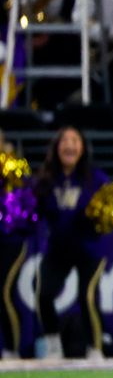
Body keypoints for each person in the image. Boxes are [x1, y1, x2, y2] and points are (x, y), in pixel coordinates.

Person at [34, 127, 110, 360]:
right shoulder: (46, 179)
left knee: (87, 297)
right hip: (58, 250)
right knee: (43, 293)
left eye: (75, 140)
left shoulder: (95, 178)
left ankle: (95, 349)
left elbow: (112, 209)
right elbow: (31, 210)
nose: (69, 145)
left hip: (89, 250)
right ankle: (53, 344)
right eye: (64, 141)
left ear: (82, 148)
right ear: (56, 149)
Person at [0, 132, 37, 360]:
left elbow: (28, 207)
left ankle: (12, 351)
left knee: (4, 292)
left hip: (10, 241)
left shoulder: (14, 170)